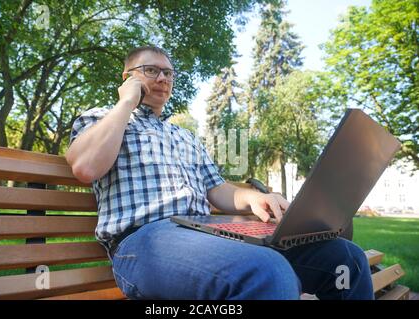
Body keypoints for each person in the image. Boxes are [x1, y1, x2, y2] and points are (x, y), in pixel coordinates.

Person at [65, 45, 374, 300]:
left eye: (168, 72)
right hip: (144, 244)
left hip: (208, 233)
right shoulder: (103, 119)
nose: (162, 78)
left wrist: (255, 198)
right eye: (151, 70)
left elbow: (217, 189)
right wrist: (126, 103)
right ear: (127, 78)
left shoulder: (184, 136)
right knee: (268, 270)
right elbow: (86, 167)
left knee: (346, 259)